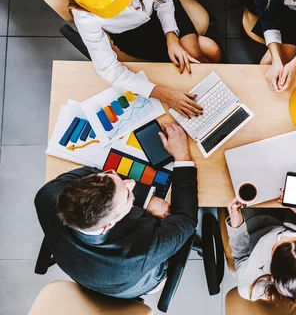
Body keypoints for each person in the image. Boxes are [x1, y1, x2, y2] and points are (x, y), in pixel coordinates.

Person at [35, 124, 198, 298]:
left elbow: (90, 172)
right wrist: (182, 157)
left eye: (108, 175)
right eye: (128, 195)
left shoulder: (48, 195)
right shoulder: (140, 252)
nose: (132, 184)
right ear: (108, 226)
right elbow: (186, 219)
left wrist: (145, 198)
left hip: (83, 266)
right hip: (137, 283)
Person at [63, 0, 222, 118]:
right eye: (114, 8)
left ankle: (215, 89)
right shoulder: (84, 16)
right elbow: (109, 70)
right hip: (133, 36)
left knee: (204, 51)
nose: (132, 7)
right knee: (184, 66)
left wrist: (172, 37)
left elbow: (164, 1)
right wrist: (163, 94)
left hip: (160, 9)